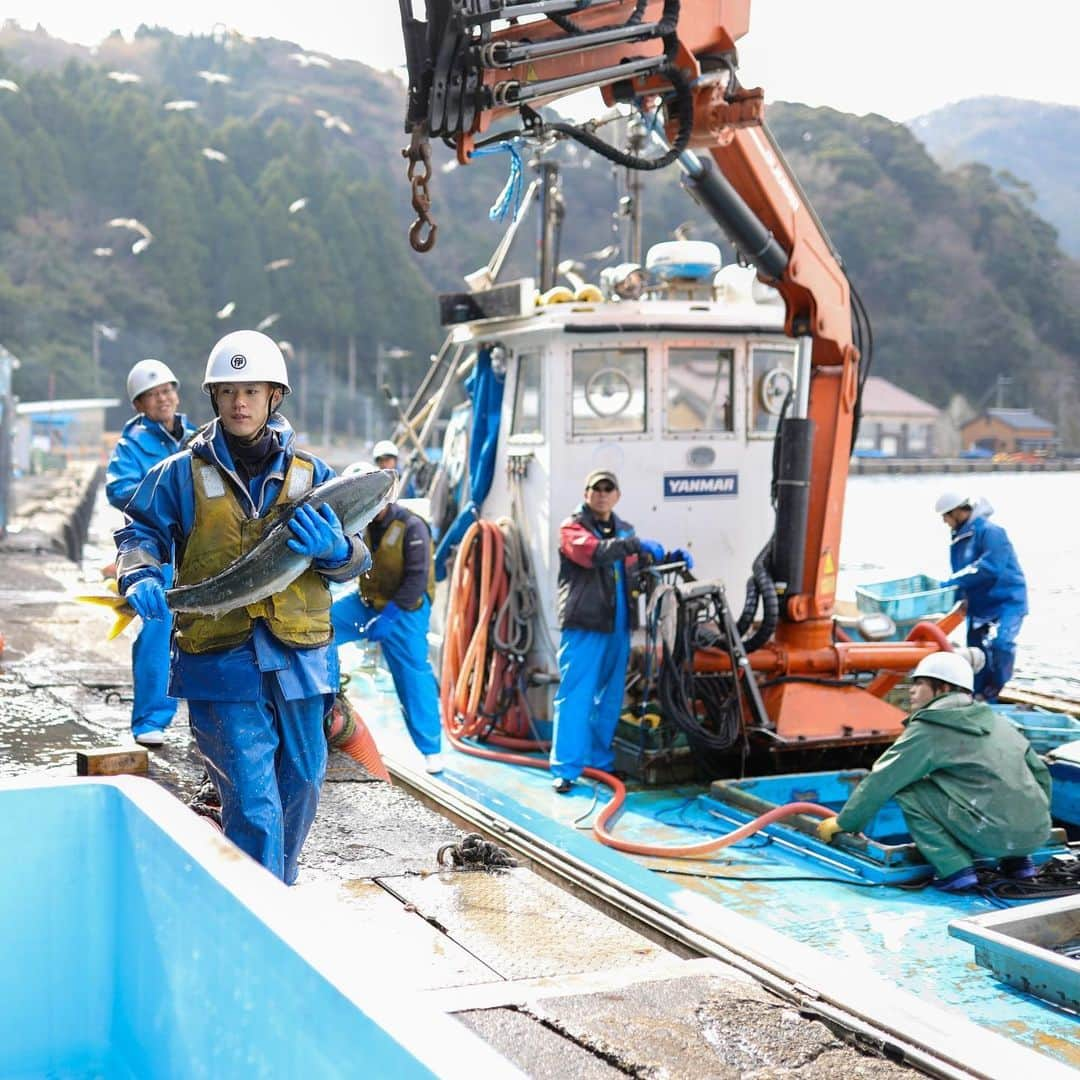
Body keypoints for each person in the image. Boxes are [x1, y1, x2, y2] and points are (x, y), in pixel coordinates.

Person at [114, 331, 371, 885]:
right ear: (212, 396)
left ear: (275, 396)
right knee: (252, 802)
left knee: (303, 781)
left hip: (301, 662)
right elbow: (138, 531)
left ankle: (274, 889)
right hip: (220, 661)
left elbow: (356, 562)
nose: (239, 403)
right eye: (228, 391)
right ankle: (265, 913)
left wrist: (338, 551)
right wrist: (137, 572)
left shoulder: (314, 476)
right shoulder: (177, 473)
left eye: (252, 390)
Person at [816, 651, 1052, 891]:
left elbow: (884, 779)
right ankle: (1018, 863)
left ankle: (955, 870)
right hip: (1036, 834)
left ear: (943, 688)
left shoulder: (931, 726)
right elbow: (1040, 775)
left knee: (908, 788)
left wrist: (846, 822)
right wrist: (1032, 820)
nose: (911, 690)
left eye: (919, 684)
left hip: (990, 836)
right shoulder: (1001, 723)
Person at [550, 468, 692, 793]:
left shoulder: (625, 532)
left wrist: (672, 558)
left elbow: (640, 563)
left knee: (610, 698)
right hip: (585, 626)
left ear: (617, 496)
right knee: (575, 696)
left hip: (619, 627)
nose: (601, 493)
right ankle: (566, 769)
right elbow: (594, 554)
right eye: (595, 488)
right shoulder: (573, 528)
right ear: (586, 494)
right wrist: (635, 544)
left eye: (608, 488)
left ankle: (600, 765)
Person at [106, 359, 197, 746]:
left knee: (206, 630)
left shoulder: (197, 437)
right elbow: (118, 489)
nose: (163, 398)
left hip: (195, 550)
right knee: (157, 629)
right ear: (139, 405)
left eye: (167, 391)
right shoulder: (130, 446)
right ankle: (150, 719)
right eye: (153, 395)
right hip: (154, 552)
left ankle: (206, 720)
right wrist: (164, 496)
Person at [331, 466, 443, 773]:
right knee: (321, 626)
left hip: (404, 608)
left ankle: (431, 748)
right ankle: (327, 704)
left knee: (412, 676)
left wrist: (390, 617)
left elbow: (417, 580)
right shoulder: (355, 523)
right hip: (366, 601)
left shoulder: (412, 526)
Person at [935, 492, 1027, 701]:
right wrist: (952, 596)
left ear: (958, 512)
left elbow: (989, 567)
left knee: (1002, 644)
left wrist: (953, 582)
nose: (944, 521)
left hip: (1007, 600)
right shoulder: (959, 538)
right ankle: (976, 694)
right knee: (976, 652)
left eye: (946, 516)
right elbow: (963, 572)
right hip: (979, 603)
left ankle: (995, 689)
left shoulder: (991, 532)